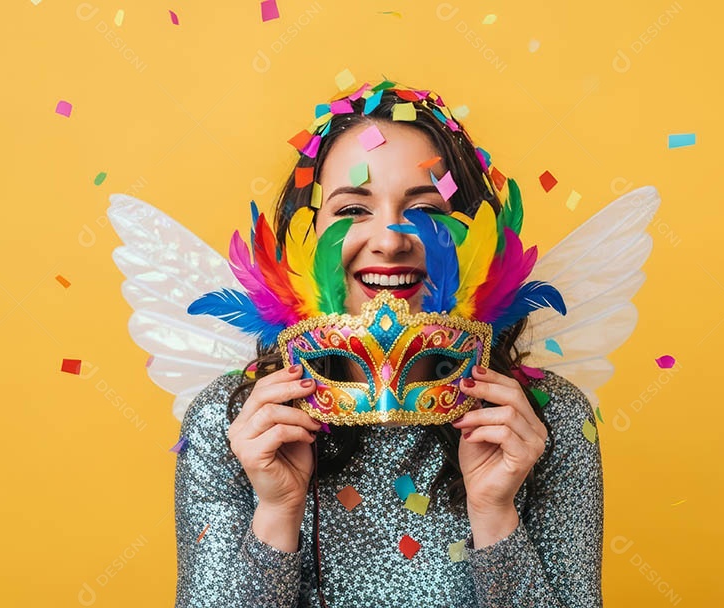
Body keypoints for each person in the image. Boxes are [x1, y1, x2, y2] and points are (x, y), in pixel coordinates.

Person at [173, 80, 604, 607]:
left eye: (426, 209)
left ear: (476, 234)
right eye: (353, 210)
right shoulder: (235, 422)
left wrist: (496, 516)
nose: (390, 240)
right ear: (304, 236)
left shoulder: (546, 421)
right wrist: (276, 511)